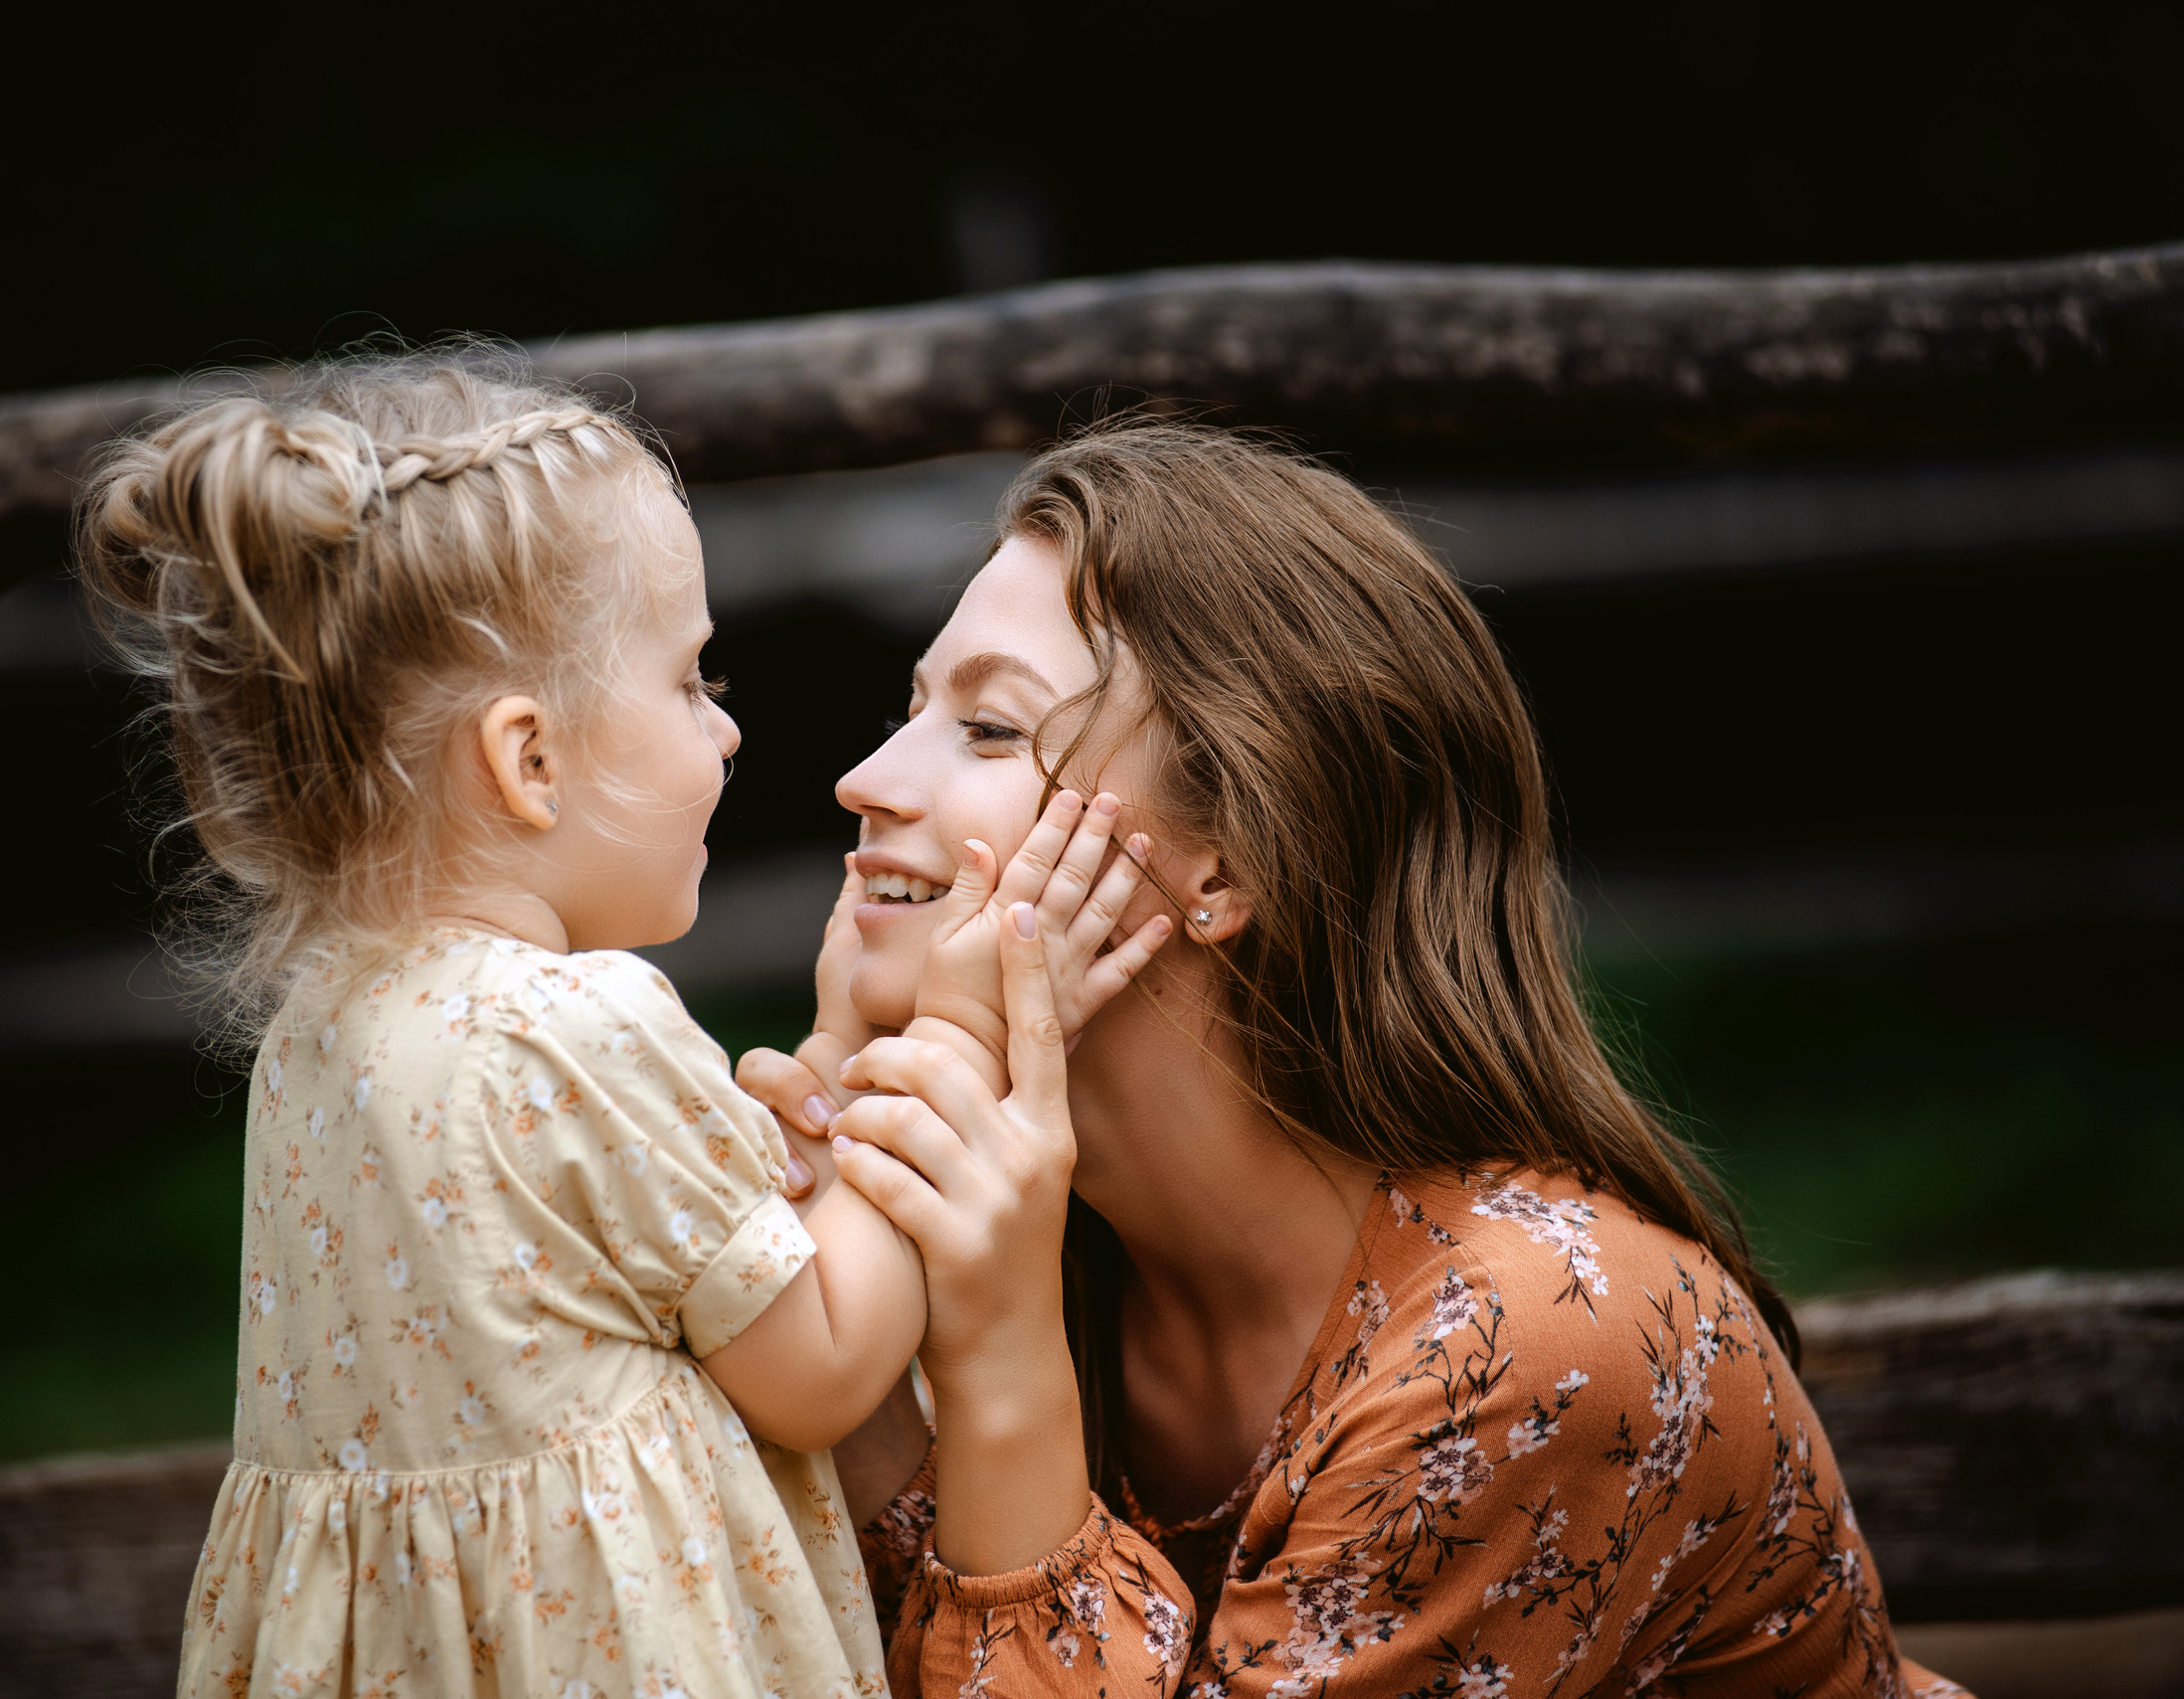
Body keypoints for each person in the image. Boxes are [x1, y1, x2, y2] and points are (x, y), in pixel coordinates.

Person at [743, 419, 1970, 1697]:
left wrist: (999, 1357)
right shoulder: (1019, 1244)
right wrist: (838, 1292)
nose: (863, 778)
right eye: (906, 712)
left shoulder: (1535, 1337)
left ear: (1228, 861)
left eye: (990, 729)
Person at [78, 356, 1159, 1699]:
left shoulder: (328, 1032)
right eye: (691, 679)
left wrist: (823, 1053)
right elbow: (819, 1363)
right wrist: (950, 1041)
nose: (728, 729)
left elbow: (668, 1270)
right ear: (528, 761)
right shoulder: (578, 1024)